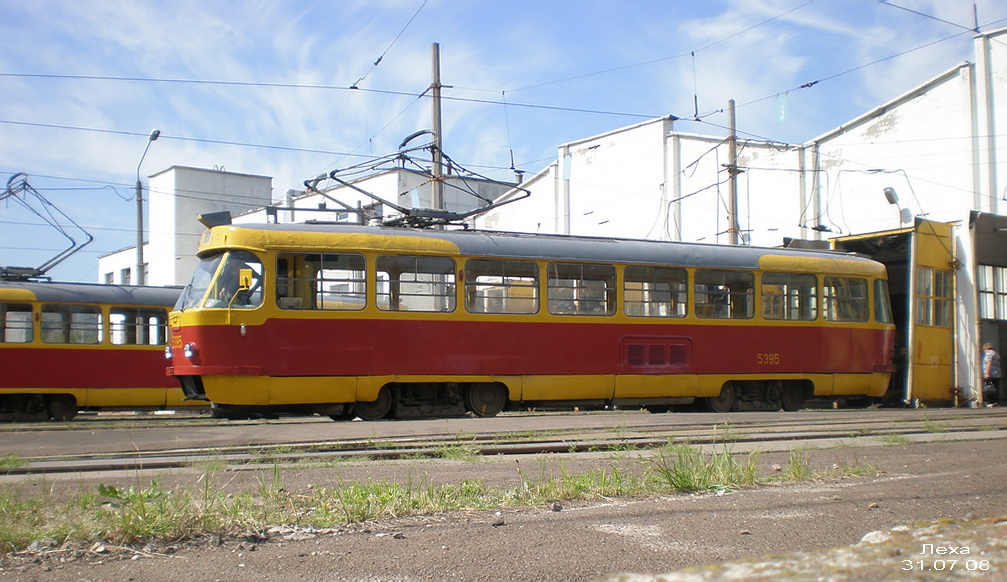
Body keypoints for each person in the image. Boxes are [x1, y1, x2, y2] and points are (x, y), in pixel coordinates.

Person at [982, 342, 1001, 407]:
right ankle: (996, 402)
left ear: (986, 349)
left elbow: (989, 363)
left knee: (988, 388)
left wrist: (987, 373)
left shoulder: (989, 353)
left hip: (991, 374)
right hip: (997, 374)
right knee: (995, 388)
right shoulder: (996, 353)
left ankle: (991, 402)